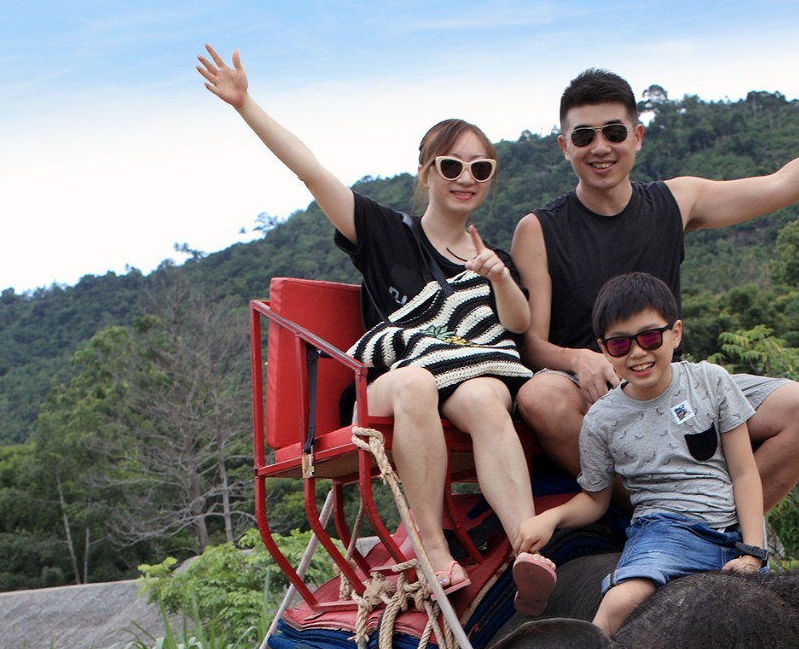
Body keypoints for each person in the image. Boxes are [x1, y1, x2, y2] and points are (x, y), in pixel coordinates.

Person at [196, 45, 556, 613]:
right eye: (452, 165)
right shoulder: (386, 232)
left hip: (463, 377)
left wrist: (499, 276)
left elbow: (515, 325)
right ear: (427, 171)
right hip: (395, 382)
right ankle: (434, 552)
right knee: (415, 383)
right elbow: (310, 170)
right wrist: (246, 105)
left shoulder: (491, 256)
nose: (466, 178)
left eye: (480, 169)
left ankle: (526, 547)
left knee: (490, 394)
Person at [512, 62, 799, 506]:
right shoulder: (539, 229)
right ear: (564, 146)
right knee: (540, 395)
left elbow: (781, 184)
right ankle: (646, 512)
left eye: (614, 133)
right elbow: (531, 345)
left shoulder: (676, 201)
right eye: (584, 137)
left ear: (638, 137)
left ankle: (720, 519)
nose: (600, 147)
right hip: (592, 395)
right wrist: (580, 360)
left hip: (672, 384)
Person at [511, 273, 767, 636]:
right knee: (617, 604)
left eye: (650, 337)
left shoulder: (710, 381)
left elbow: (743, 472)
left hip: (729, 529)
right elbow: (595, 499)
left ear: (675, 333)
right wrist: (549, 519)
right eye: (620, 345)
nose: (638, 353)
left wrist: (753, 551)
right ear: (604, 349)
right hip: (663, 530)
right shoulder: (602, 418)